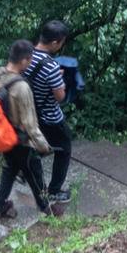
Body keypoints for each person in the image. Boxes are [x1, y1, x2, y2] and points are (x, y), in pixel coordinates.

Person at [0, 39, 52, 219]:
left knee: (10, 169)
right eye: (30, 60)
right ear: (23, 60)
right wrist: (43, 145)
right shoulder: (21, 87)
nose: (30, 63)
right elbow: (30, 124)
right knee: (35, 173)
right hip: (21, 139)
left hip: (4, 135)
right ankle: (46, 209)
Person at [26, 19, 73, 216]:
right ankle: (54, 190)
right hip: (50, 117)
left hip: (30, 115)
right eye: (61, 42)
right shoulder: (51, 66)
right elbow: (60, 97)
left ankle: (26, 173)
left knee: (37, 145)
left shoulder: (26, 55)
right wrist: (59, 80)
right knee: (64, 149)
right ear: (55, 42)